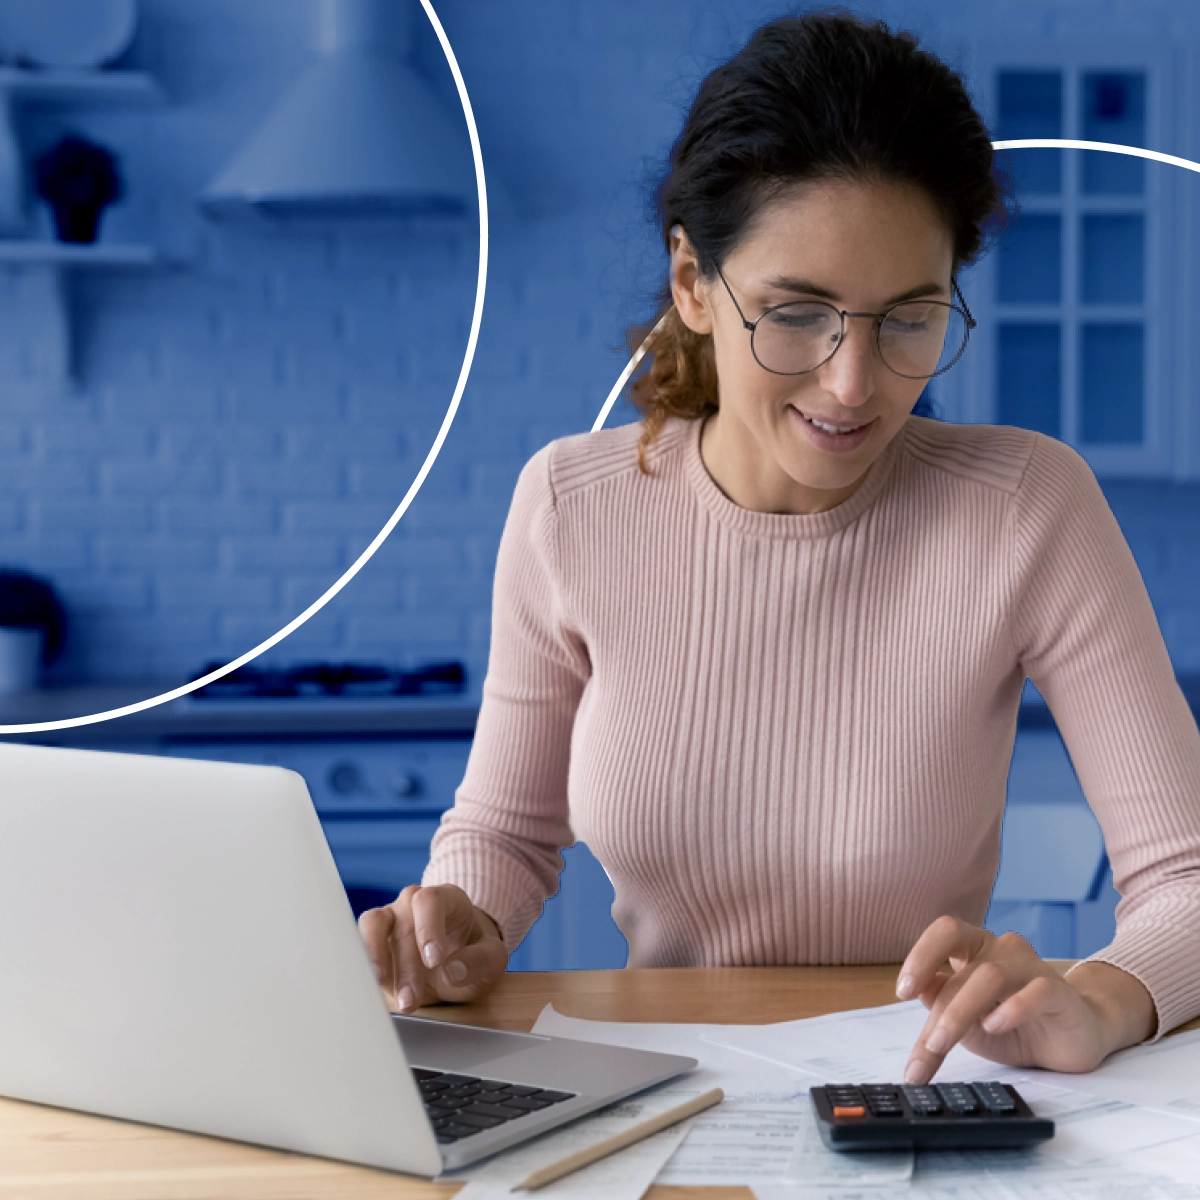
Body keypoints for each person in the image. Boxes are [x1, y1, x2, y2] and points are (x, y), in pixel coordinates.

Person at [359, 8, 1200, 1086]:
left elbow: (1185, 875)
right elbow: (509, 834)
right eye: (797, 313)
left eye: (910, 317)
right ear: (692, 283)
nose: (853, 385)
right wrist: (459, 922)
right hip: (658, 1088)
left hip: (919, 1089)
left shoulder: (1028, 505)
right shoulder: (571, 504)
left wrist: (1104, 999)